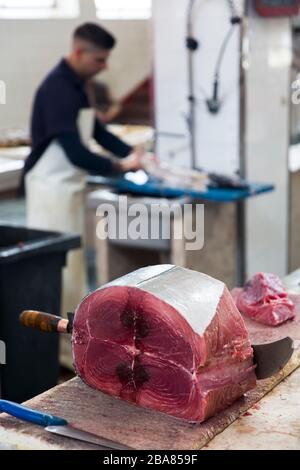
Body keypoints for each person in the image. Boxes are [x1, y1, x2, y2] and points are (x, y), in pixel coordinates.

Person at [21, 23, 146, 367]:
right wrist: (120, 167)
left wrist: (133, 152)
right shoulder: (57, 89)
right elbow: (76, 152)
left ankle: (73, 350)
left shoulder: (78, 85)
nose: (104, 66)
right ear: (79, 52)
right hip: (51, 189)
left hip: (68, 188)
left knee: (74, 270)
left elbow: (97, 132)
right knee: (58, 272)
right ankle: (59, 357)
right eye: (100, 59)